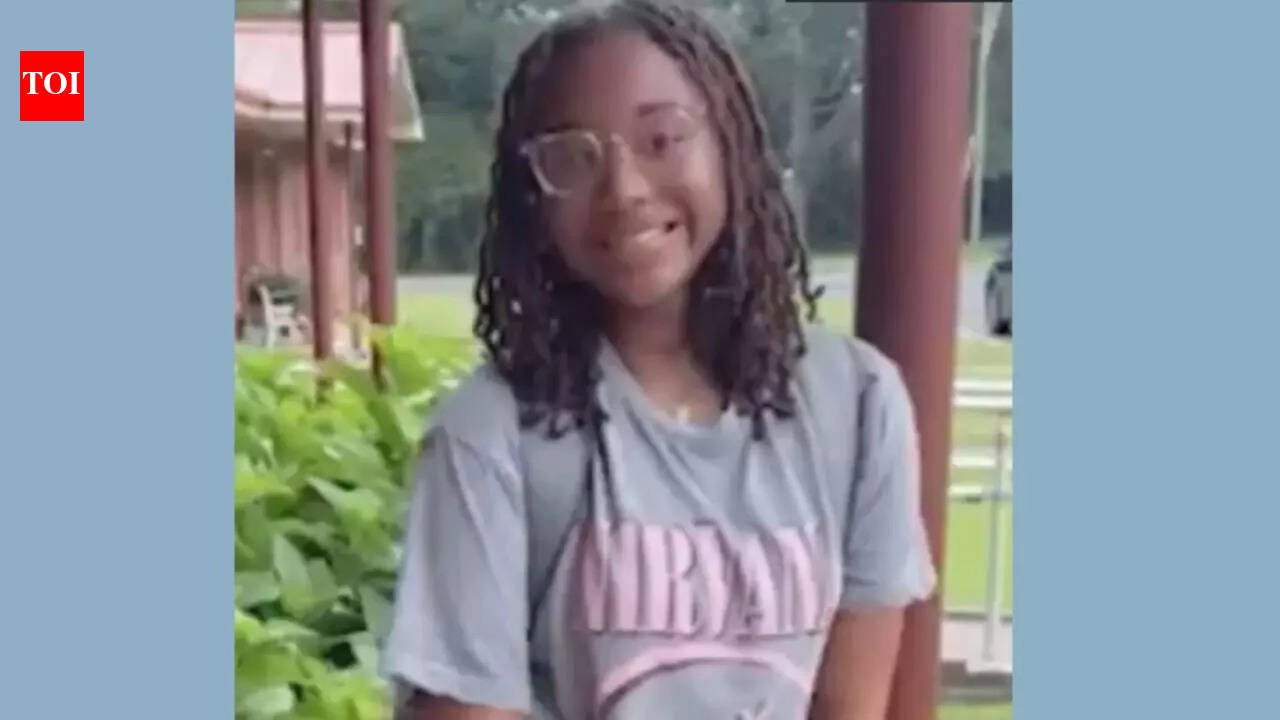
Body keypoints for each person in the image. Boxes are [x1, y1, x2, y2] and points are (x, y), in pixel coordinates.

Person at [385, 2, 934, 718]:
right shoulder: (491, 438)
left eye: (663, 138)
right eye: (573, 158)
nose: (624, 190)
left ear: (729, 146)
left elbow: (851, 706)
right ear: (533, 196)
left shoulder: (857, 405)